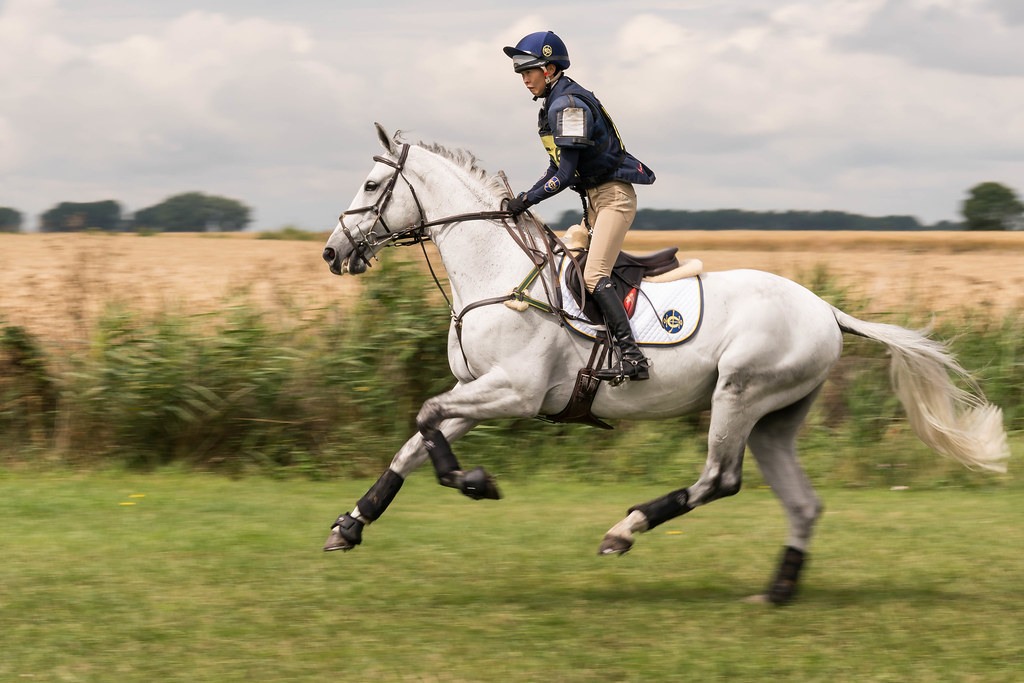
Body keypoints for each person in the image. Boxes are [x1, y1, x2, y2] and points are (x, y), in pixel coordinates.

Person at [503, 30, 656, 382]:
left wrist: (525, 201)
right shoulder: (554, 105)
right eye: (521, 72)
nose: (525, 79)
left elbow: (566, 173)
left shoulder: (568, 105)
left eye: (530, 71)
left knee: (593, 275)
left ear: (550, 69)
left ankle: (633, 358)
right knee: (567, 262)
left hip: (613, 199)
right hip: (596, 202)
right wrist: (524, 197)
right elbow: (556, 169)